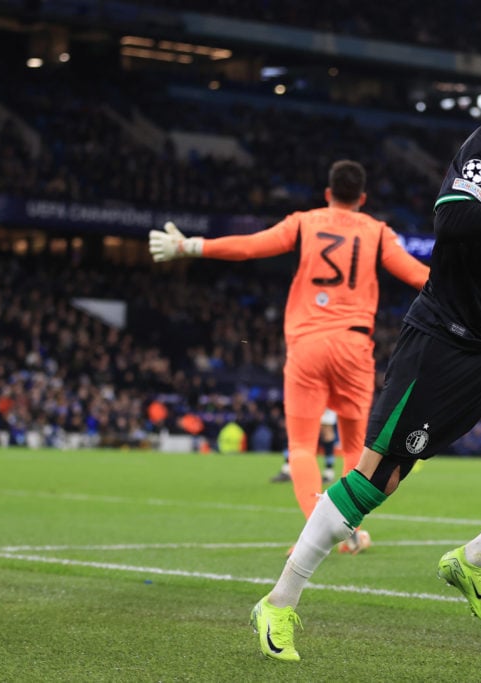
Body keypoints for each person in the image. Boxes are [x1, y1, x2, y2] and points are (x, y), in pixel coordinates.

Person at [249, 49, 481, 662]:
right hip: (444, 340)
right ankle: (278, 604)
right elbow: (451, 223)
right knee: (374, 481)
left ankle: (474, 561)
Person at [149, 159, 429, 554]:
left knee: (301, 447)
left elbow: (249, 247)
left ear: (328, 193)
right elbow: (420, 277)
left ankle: (316, 533)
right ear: (362, 198)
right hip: (353, 346)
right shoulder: (377, 232)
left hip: (307, 344)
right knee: (354, 447)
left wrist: (190, 245)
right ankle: (346, 530)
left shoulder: (305, 221)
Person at [270, 409, 338, 485]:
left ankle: (329, 472)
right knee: (292, 427)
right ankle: (287, 469)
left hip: (326, 400)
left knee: (326, 431)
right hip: (302, 398)